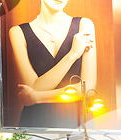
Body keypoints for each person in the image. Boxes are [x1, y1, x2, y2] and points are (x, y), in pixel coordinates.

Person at [8, 0, 97, 128]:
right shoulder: (18, 32)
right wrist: (72, 55)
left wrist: (36, 98)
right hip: (36, 120)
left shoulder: (84, 25)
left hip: (77, 121)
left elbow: (87, 89)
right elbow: (34, 87)